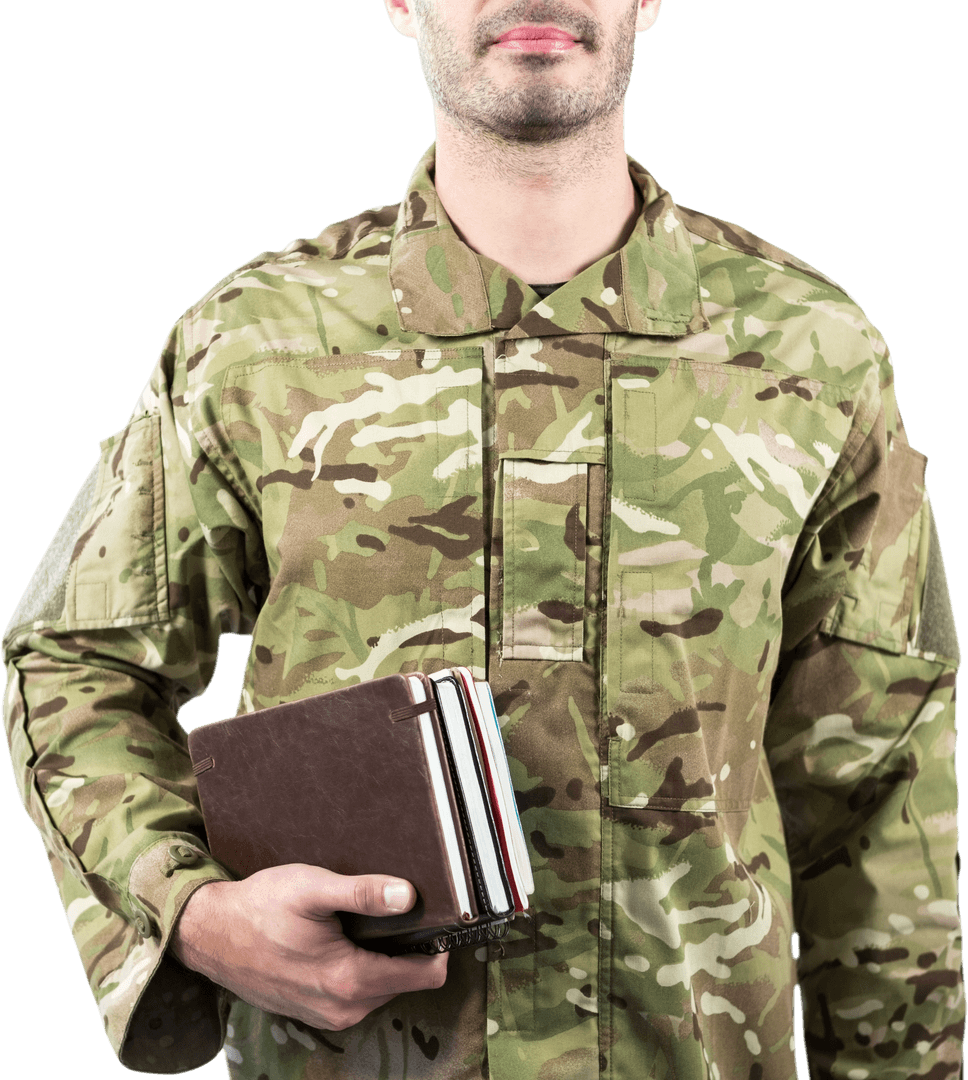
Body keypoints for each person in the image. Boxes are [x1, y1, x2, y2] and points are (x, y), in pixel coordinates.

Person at [2, 0, 963, 1077]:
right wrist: (191, 910)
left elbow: (879, 785)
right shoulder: (253, 345)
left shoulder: (812, 357)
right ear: (401, 0)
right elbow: (72, 662)